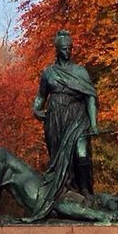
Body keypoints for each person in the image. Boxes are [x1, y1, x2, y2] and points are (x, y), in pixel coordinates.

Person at [30, 30, 98, 218]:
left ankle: (86, 191)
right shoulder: (48, 73)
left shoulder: (80, 71)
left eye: (70, 48)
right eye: (64, 49)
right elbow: (41, 97)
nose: (68, 52)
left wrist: (94, 124)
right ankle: (63, 192)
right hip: (55, 120)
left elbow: (90, 97)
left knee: (81, 153)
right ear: (57, 50)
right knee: (58, 160)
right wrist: (35, 110)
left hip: (77, 118)